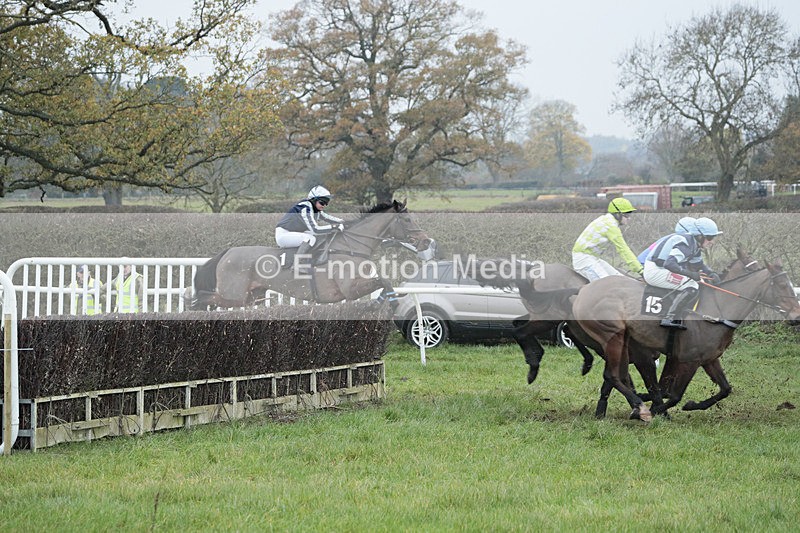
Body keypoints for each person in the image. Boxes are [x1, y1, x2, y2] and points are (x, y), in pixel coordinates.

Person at [643, 217, 722, 329]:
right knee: (692, 285)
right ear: (699, 236)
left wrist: (711, 273)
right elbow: (669, 264)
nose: (712, 242)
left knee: (694, 282)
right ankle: (669, 318)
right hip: (655, 271)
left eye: (713, 237)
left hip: (662, 268)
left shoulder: (695, 246)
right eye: (710, 238)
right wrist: (690, 274)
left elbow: (699, 265)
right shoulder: (686, 244)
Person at [572, 198, 643, 281]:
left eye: (630, 215)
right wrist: (640, 270)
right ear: (617, 214)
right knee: (608, 284)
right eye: (626, 215)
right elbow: (624, 250)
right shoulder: (611, 226)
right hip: (584, 260)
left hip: (592, 258)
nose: (629, 218)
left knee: (622, 279)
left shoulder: (607, 219)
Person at [275, 185, 345, 261]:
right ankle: (298, 264)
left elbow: (328, 217)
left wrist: (344, 222)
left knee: (319, 237)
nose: (324, 205)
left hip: (294, 232)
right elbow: (315, 229)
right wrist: (334, 227)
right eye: (322, 202)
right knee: (310, 239)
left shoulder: (315, 209)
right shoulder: (305, 208)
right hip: (284, 235)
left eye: (326, 203)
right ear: (314, 200)